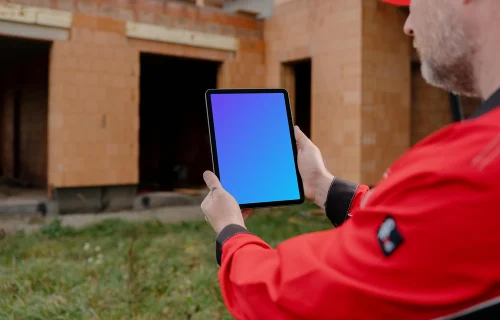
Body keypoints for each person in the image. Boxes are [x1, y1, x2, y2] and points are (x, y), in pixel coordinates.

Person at [200, 0, 500, 318]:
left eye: (415, 3)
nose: (408, 24)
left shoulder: (474, 167)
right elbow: (426, 232)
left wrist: (230, 230)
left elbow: (285, 297)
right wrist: (325, 187)